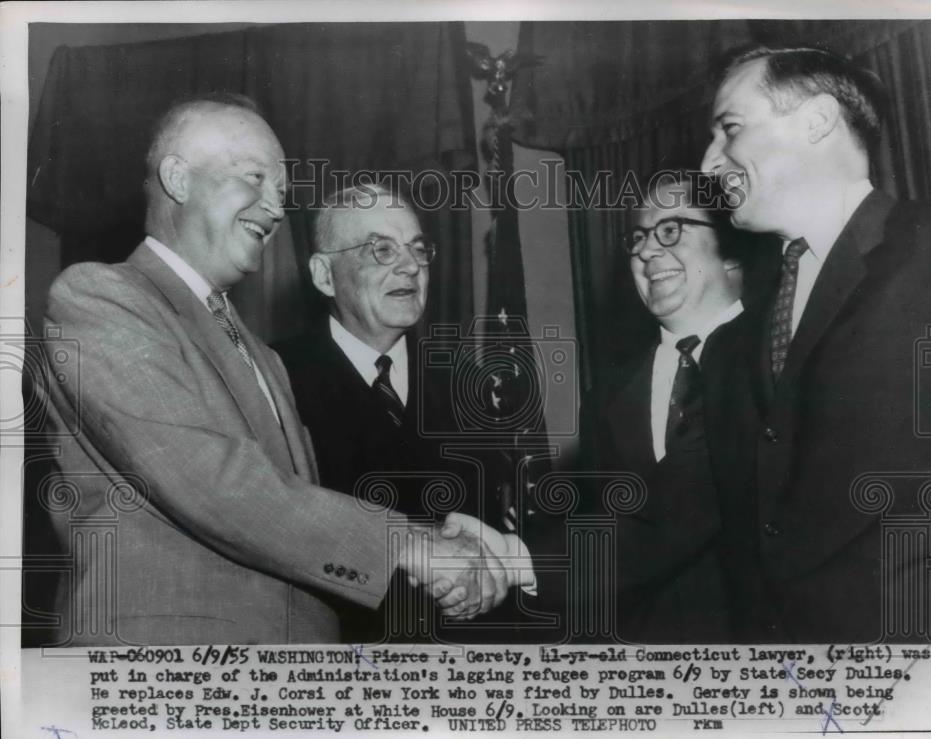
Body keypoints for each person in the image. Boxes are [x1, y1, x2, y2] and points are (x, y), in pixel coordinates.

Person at [40, 94, 506, 646]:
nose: (277, 208)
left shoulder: (258, 352)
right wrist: (409, 545)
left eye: (281, 192)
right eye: (254, 178)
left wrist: (446, 546)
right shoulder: (100, 296)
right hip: (168, 669)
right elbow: (215, 482)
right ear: (179, 179)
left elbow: (293, 510)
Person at [700, 46, 931, 643]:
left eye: (729, 129)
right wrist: (517, 560)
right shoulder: (737, 340)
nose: (708, 164)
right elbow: (695, 501)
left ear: (816, 121)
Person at [276, 184, 536, 642]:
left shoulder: (466, 380)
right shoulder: (277, 378)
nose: (411, 266)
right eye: (381, 249)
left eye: (419, 249)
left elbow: (492, 524)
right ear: (324, 275)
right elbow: (281, 527)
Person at [581, 172, 743, 643]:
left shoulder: (779, 359)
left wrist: (515, 560)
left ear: (729, 248)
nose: (646, 251)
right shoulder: (606, 396)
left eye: (670, 231)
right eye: (638, 237)